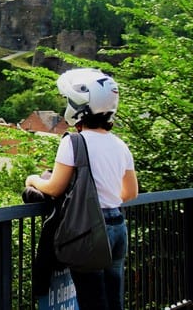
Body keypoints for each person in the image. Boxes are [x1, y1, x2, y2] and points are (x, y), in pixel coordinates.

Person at [25, 68, 138, 310]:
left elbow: (55, 188)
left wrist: (33, 180)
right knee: (113, 300)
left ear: (80, 106)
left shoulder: (73, 142)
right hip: (118, 227)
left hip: (89, 230)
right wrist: (106, 195)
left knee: (92, 301)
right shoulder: (120, 145)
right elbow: (130, 193)